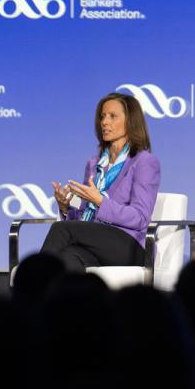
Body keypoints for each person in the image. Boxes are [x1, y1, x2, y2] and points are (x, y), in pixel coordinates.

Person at [41, 92, 160, 272]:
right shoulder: (94, 164)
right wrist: (65, 208)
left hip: (130, 245)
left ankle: (29, 290)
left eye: (112, 116)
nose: (104, 122)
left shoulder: (144, 162)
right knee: (68, 257)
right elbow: (82, 221)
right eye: (102, 116)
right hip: (97, 243)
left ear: (131, 121)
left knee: (61, 230)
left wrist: (100, 202)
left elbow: (141, 218)